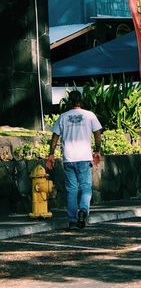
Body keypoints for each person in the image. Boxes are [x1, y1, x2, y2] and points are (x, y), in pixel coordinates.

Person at [46, 90, 102, 230]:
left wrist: (51, 154)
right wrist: (97, 151)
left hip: (69, 158)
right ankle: (83, 210)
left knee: (71, 190)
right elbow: (97, 134)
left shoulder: (63, 117)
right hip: (84, 158)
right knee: (86, 188)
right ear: (81, 100)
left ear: (69, 101)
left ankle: (72, 221)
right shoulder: (89, 115)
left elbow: (55, 137)